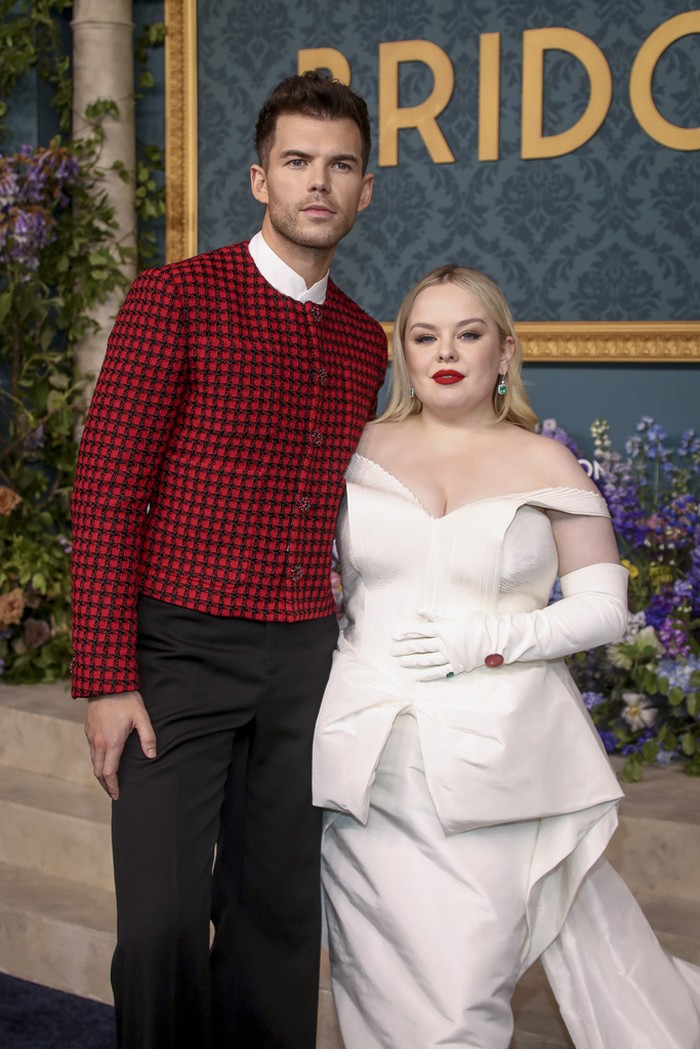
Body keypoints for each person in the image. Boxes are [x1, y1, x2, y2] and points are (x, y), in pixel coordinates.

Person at [70, 71, 387, 1049]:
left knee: (275, 923)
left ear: (365, 190)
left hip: (303, 660)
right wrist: (105, 677)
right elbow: (107, 489)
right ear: (260, 179)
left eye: (340, 165)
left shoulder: (363, 339)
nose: (318, 182)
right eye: (297, 161)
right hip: (179, 654)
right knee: (159, 925)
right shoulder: (175, 296)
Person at [312, 264, 700, 1048]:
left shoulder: (546, 461)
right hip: (364, 756)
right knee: (374, 976)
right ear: (403, 352)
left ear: (505, 351)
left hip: (498, 762)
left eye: (469, 333)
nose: (445, 352)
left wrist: (488, 640)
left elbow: (604, 609)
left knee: (460, 991)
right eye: (424, 336)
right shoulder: (356, 447)